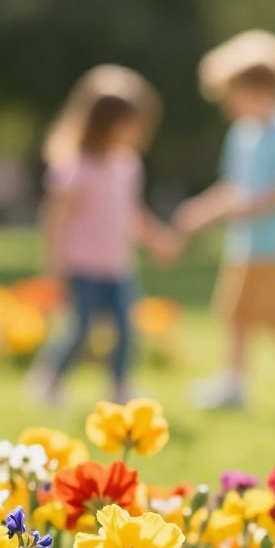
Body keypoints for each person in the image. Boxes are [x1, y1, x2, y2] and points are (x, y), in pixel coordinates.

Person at [174, 30, 275, 420]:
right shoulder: (243, 134)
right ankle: (234, 383)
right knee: (235, 313)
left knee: (274, 314)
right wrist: (203, 213)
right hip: (247, 245)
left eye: (233, 94)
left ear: (262, 88)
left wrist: (255, 207)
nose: (228, 105)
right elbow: (233, 187)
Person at [30, 66, 182, 406]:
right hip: (82, 265)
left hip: (117, 265)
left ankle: (119, 388)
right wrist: (54, 266)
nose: (140, 131)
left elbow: (130, 212)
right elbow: (55, 220)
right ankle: (49, 379)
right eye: (133, 122)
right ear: (105, 122)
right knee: (80, 330)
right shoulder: (75, 168)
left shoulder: (127, 164)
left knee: (126, 332)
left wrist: (156, 239)